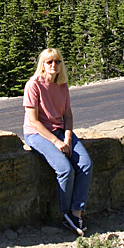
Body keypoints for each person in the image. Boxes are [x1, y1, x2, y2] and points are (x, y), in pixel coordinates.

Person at [23, 48, 93, 236]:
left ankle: (76, 212)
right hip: (37, 133)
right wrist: (56, 142)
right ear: (43, 65)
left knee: (85, 164)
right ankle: (66, 212)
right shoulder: (33, 85)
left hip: (60, 130)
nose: (54, 65)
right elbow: (34, 121)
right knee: (65, 169)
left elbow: (67, 114)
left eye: (57, 62)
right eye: (49, 62)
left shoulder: (62, 85)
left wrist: (68, 137)